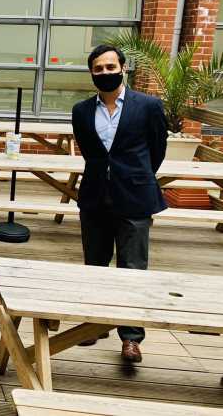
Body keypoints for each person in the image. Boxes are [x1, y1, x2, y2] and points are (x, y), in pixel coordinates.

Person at [72, 44, 168, 363]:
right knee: (95, 265)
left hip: (135, 195)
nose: (105, 73)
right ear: (92, 73)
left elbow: (157, 150)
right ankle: (94, 325)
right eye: (98, 69)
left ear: (123, 69)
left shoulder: (148, 105)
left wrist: (135, 176)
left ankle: (131, 337)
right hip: (95, 195)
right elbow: (90, 152)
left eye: (110, 67)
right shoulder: (81, 111)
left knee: (133, 268)